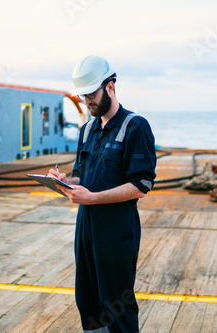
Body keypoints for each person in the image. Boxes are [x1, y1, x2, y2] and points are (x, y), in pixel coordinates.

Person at [48, 55, 157, 333]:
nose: (87, 102)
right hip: (85, 229)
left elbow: (141, 185)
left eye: (91, 94)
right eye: (83, 97)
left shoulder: (135, 127)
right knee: (87, 302)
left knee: (116, 306)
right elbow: (81, 177)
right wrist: (65, 182)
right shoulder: (87, 131)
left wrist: (94, 198)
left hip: (116, 232)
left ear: (110, 86)